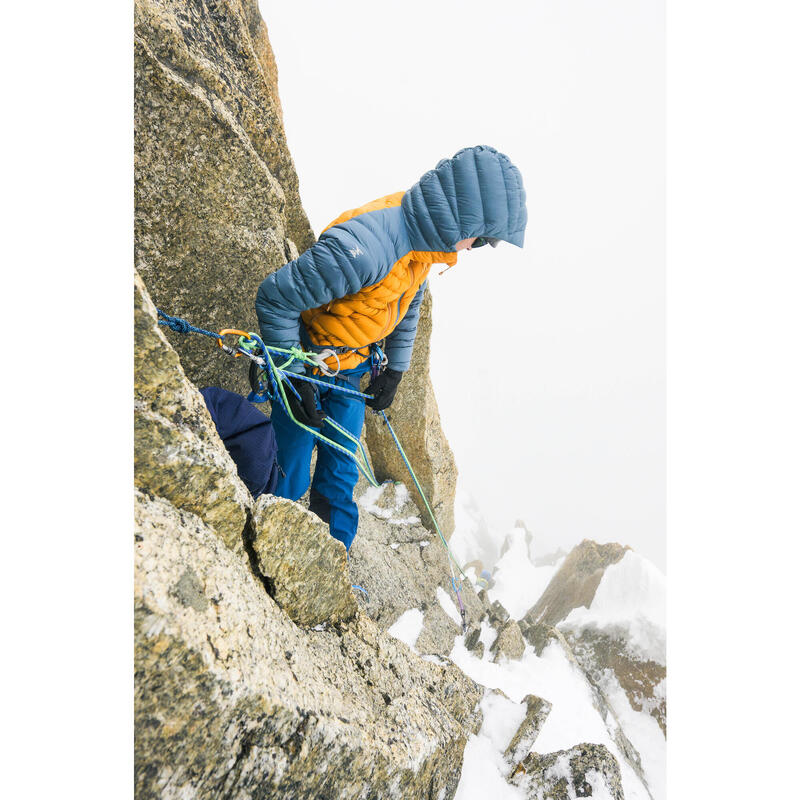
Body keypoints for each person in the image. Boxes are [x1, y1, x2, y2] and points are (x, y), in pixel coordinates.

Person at [255, 145, 527, 550]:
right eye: (482, 239)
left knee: (340, 473)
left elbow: (408, 302)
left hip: (348, 370)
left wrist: (396, 369)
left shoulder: (419, 249)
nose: (476, 248)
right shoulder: (369, 249)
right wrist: (294, 379)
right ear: (460, 220)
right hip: (305, 361)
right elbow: (275, 298)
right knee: (289, 468)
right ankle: (269, 548)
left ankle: (331, 564)